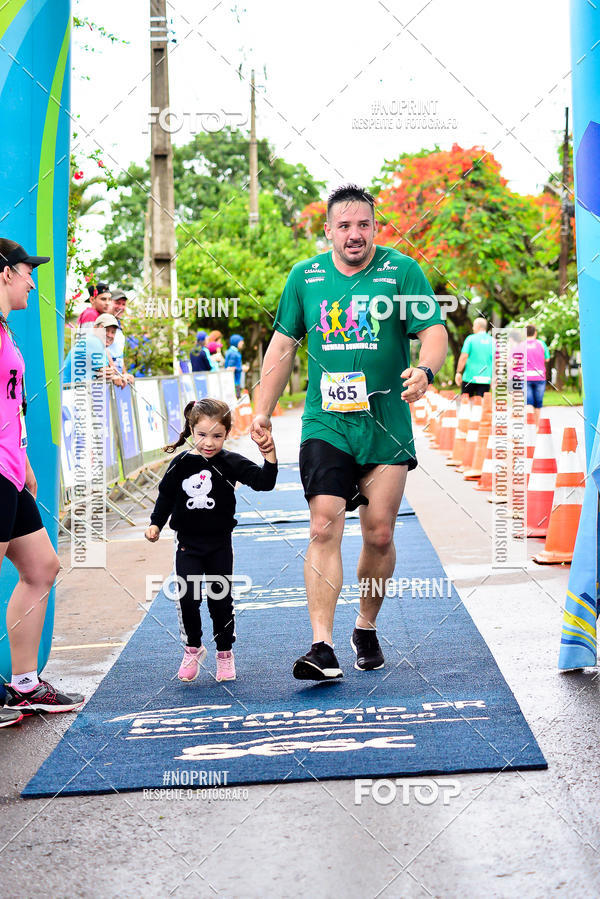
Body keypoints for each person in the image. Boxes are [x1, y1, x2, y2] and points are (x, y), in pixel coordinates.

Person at [250, 184, 448, 681]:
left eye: (363, 225)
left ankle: (365, 625)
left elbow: (434, 332)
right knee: (323, 525)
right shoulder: (305, 277)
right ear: (329, 232)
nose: (354, 234)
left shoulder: (402, 271)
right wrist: (261, 411)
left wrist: (424, 371)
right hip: (327, 423)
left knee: (379, 532)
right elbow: (281, 348)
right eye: (344, 226)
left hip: (386, 428)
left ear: (375, 227)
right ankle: (322, 646)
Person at [0, 238, 84, 723]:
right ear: (4, 273)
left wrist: (24, 462)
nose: (33, 279)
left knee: (42, 568)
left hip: (11, 472)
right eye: (26, 270)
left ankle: (25, 683)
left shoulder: (5, 328)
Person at [145, 398, 278, 683]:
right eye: (203, 434)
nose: (209, 442)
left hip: (219, 545)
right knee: (188, 598)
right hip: (187, 545)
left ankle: (225, 653)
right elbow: (166, 496)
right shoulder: (180, 463)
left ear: (227, 434)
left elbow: (264, 482)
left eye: (217, 436)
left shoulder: (229, 462)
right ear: (192, 430)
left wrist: (269, 456)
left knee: (220, 600)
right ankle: (193, 647)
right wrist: (156, 523)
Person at [63, 313, 125, 386]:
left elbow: (112, 371)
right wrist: (115, 377)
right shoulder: (92, 341)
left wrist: (122, 376)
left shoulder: (101, 347)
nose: (109, 335)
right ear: (95, 328)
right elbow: (106, 374)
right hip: (67, 392)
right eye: (106, 330)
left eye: (113, 332)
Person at [455, 317, 493, 396]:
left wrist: (458, 372)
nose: (472, 328)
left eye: (473, 325)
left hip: (469, 378)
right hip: (485, 379)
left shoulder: (470, 339)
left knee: (466, 403)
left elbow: (464, 357)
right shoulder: (493, 341)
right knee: (482, 404)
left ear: (478, 326)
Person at [109, 289, 134, 384]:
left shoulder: (118, 324)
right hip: (108, 379)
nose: (121, 307)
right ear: (109, 302)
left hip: (119, 380)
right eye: (117, 303)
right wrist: (114, 375)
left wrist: (124, 373)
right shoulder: (102, 323)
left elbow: (119, 354)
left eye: (123, 304)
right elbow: (102, 351)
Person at [224, 334, 249, 399]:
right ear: (236, 342)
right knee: (236, 401)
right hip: (234, 382)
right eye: (241, 341)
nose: (243, 343)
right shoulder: (233, 353)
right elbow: (230, 368)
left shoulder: (232, 351)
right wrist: (242, 368)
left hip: (235, 381)